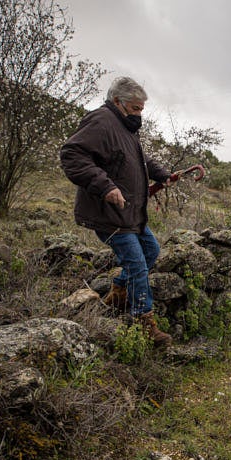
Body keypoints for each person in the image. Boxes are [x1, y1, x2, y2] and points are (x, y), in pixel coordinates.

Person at [60, 76, 174, 347]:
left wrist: (162, 174)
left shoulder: (125, 127)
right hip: (109, 214)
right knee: (136, 264)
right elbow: (72, 155)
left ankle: (119, 293)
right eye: (135, 108)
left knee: (151, 251)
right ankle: (144, 322)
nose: (139, 115)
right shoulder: (101, 121)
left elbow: (138, 160)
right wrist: (105, 187)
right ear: (117, 102)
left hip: (130, 213)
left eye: (141, 109)